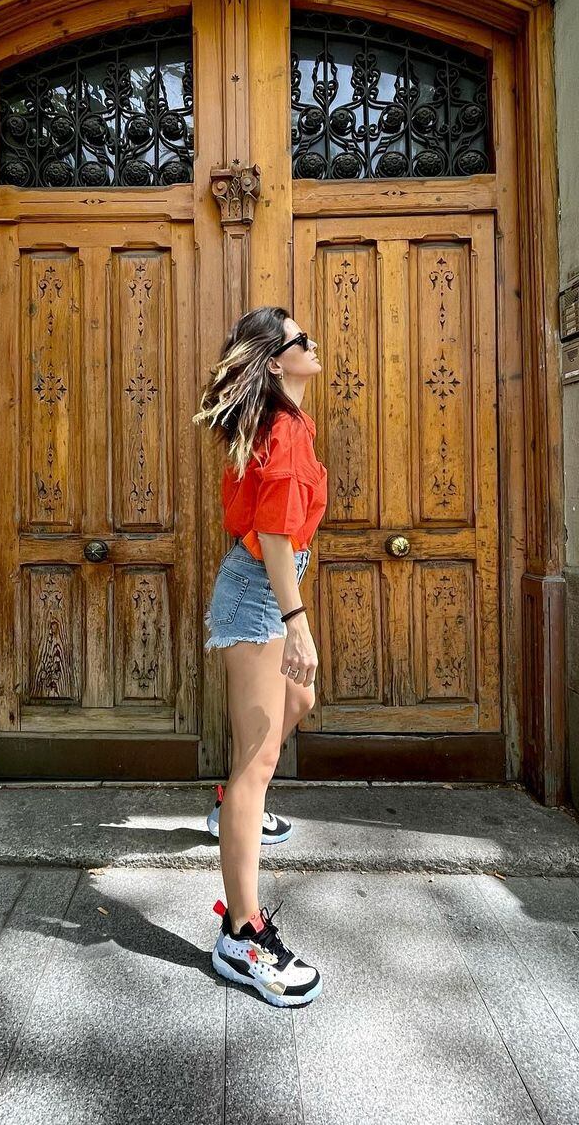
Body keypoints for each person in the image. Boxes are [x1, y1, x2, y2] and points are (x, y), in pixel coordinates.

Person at [192, 306, 328, 1008]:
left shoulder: (287, 426)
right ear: (277, 362)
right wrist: (296, 619)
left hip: (268, 586)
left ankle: (236, 809)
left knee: (295, 706)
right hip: (259, 591)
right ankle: (242, 935)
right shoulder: (281, 429)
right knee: (257, 761)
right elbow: (274, 538)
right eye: (302, 339)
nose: (316, 344)